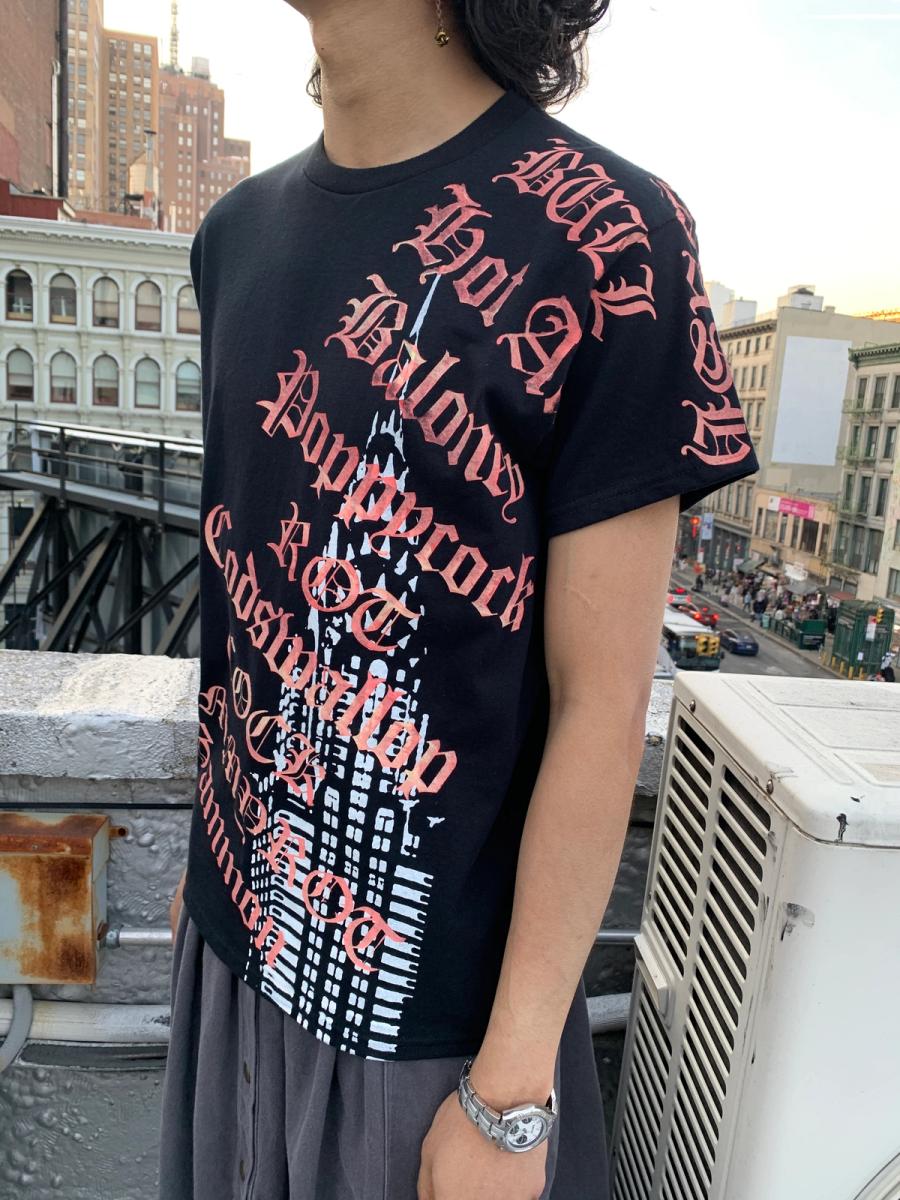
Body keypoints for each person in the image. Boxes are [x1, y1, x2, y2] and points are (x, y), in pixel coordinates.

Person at [158, 2, 761, 1197]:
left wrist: (511, 1093)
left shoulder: (608, 234)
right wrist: (209, 876)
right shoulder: (233, 235)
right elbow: (243, 600)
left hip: (435, 1040)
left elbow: (601, 702)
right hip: (230, 953)